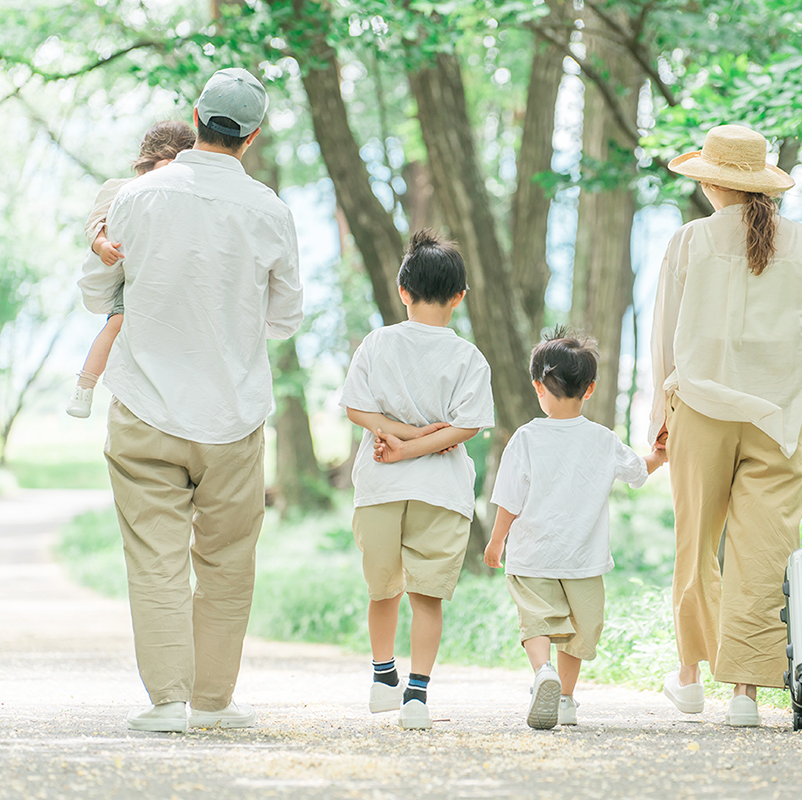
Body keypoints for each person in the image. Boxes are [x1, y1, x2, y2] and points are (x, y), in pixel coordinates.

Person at [77, 68, 303, 733]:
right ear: (253, 136)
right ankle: (214, 702)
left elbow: (97, 292)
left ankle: (169, 703)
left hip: (145, 405)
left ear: (196, 114)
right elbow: (285, 318)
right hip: (233, 415)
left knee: (156, 557)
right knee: (228, 562)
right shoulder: (270, 210)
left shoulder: (137, 197)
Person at [649, 124, 802, 728]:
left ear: (711, 180)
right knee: (764, 556)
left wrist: (659, 421)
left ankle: (688, 678)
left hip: (701, 414)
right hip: (776, 421)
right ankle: (744, 694)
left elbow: (665, 343)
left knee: (696, 549)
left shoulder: (689, 242)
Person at [340, 229, 494, 731]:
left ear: (403, 290)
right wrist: (417, 440)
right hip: (441, 491)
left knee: (382, 589)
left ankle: (383, 679)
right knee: (427, 596)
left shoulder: (378, 342)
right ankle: (417, 697)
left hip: (382, 485)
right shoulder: (469, 357)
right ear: (459, 297)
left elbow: (356, 409)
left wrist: (397, 441)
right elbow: (465, 427)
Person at [482, 332, 666, 730]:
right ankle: (564, 698)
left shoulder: (527, 438)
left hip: (533, 555)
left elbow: (510, 498)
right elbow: (638, 471)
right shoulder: (602, 439)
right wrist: (660, 455)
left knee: (537, 621)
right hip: (582, 559)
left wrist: (497, 542)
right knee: (581, 631)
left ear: (538, 388)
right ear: (590, 389)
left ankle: (541, 672)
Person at [65, 121, 197, 418]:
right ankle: (85, 387)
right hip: (132, 276)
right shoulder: (120, 189)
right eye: (163, 168)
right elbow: (94, 223)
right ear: (147, 163)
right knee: (116, 324)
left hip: (166, 278)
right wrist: (101, 245)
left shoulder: (187, 194)